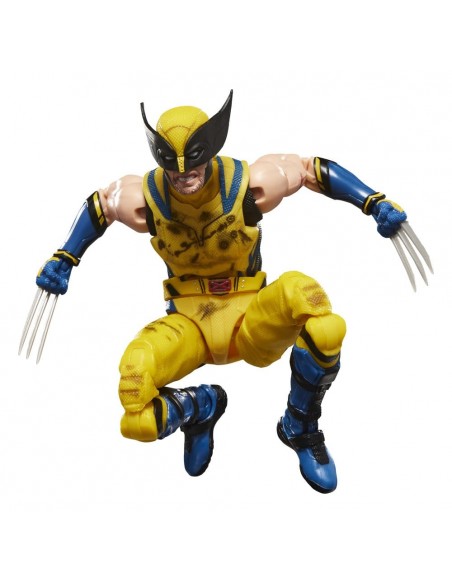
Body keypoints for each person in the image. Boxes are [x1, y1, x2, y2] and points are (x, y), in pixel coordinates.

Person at [20, 90, 431, 494]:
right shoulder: (145, 198)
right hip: (188, 326)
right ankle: (201, 407)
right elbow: (101, 206)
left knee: (317, 312)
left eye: (193, 164)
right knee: (135, 407)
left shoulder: (247, 184)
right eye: (174, 168)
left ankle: (299, 426)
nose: (185, 176)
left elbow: (308, 169)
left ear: (211, 149)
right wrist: (65, 256)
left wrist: (372, 201)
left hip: (251, 317)